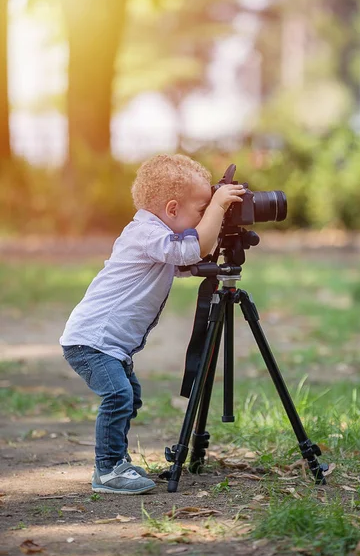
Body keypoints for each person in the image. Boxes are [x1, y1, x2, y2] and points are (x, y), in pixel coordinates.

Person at [60, 153, 245, 495]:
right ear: (172, 210)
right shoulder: (146, 233)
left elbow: (191, 259)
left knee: (129, 397)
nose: (206, 216)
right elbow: (192, 251)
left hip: (107, 344)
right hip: (91, 341)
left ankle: (116, 460)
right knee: (119, 395)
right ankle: (107, 470)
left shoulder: (158, 236)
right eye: (201, 210)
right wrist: (218, 207)